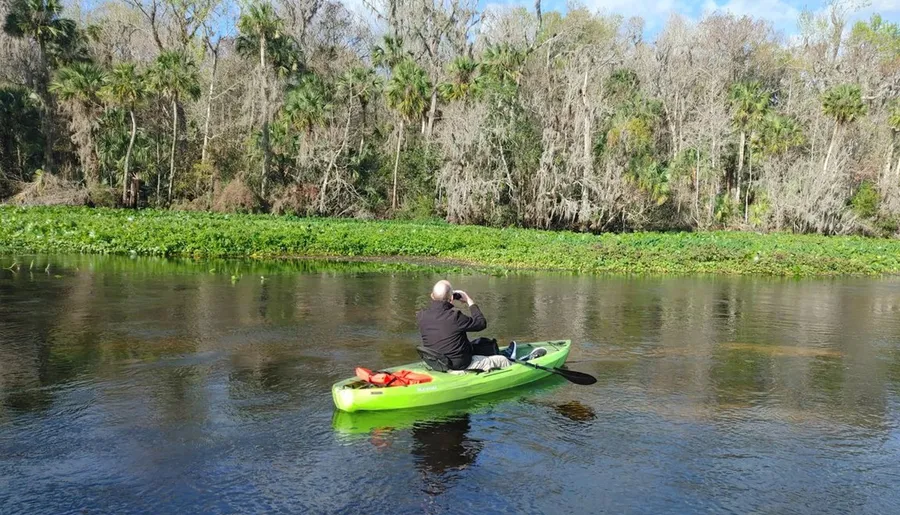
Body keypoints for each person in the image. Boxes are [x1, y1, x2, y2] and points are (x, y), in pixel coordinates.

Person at [416, 280, 512, 372]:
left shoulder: (421, 315)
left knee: (481, 344)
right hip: (458, 364)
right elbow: (481, 323)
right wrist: (469, 301)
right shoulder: (455, 316)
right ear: (452, 298)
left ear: (432, 296)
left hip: (436, 361)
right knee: (503, 360)